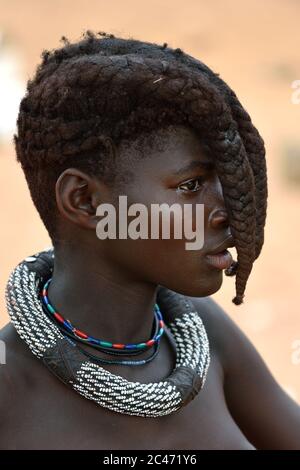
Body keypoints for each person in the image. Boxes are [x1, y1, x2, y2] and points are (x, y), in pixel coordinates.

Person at [0, 31, 299, 450]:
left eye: (225, 179)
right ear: (85, 201)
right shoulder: (9, 380)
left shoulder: (197, 330)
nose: (230, 209)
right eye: (192, 184)